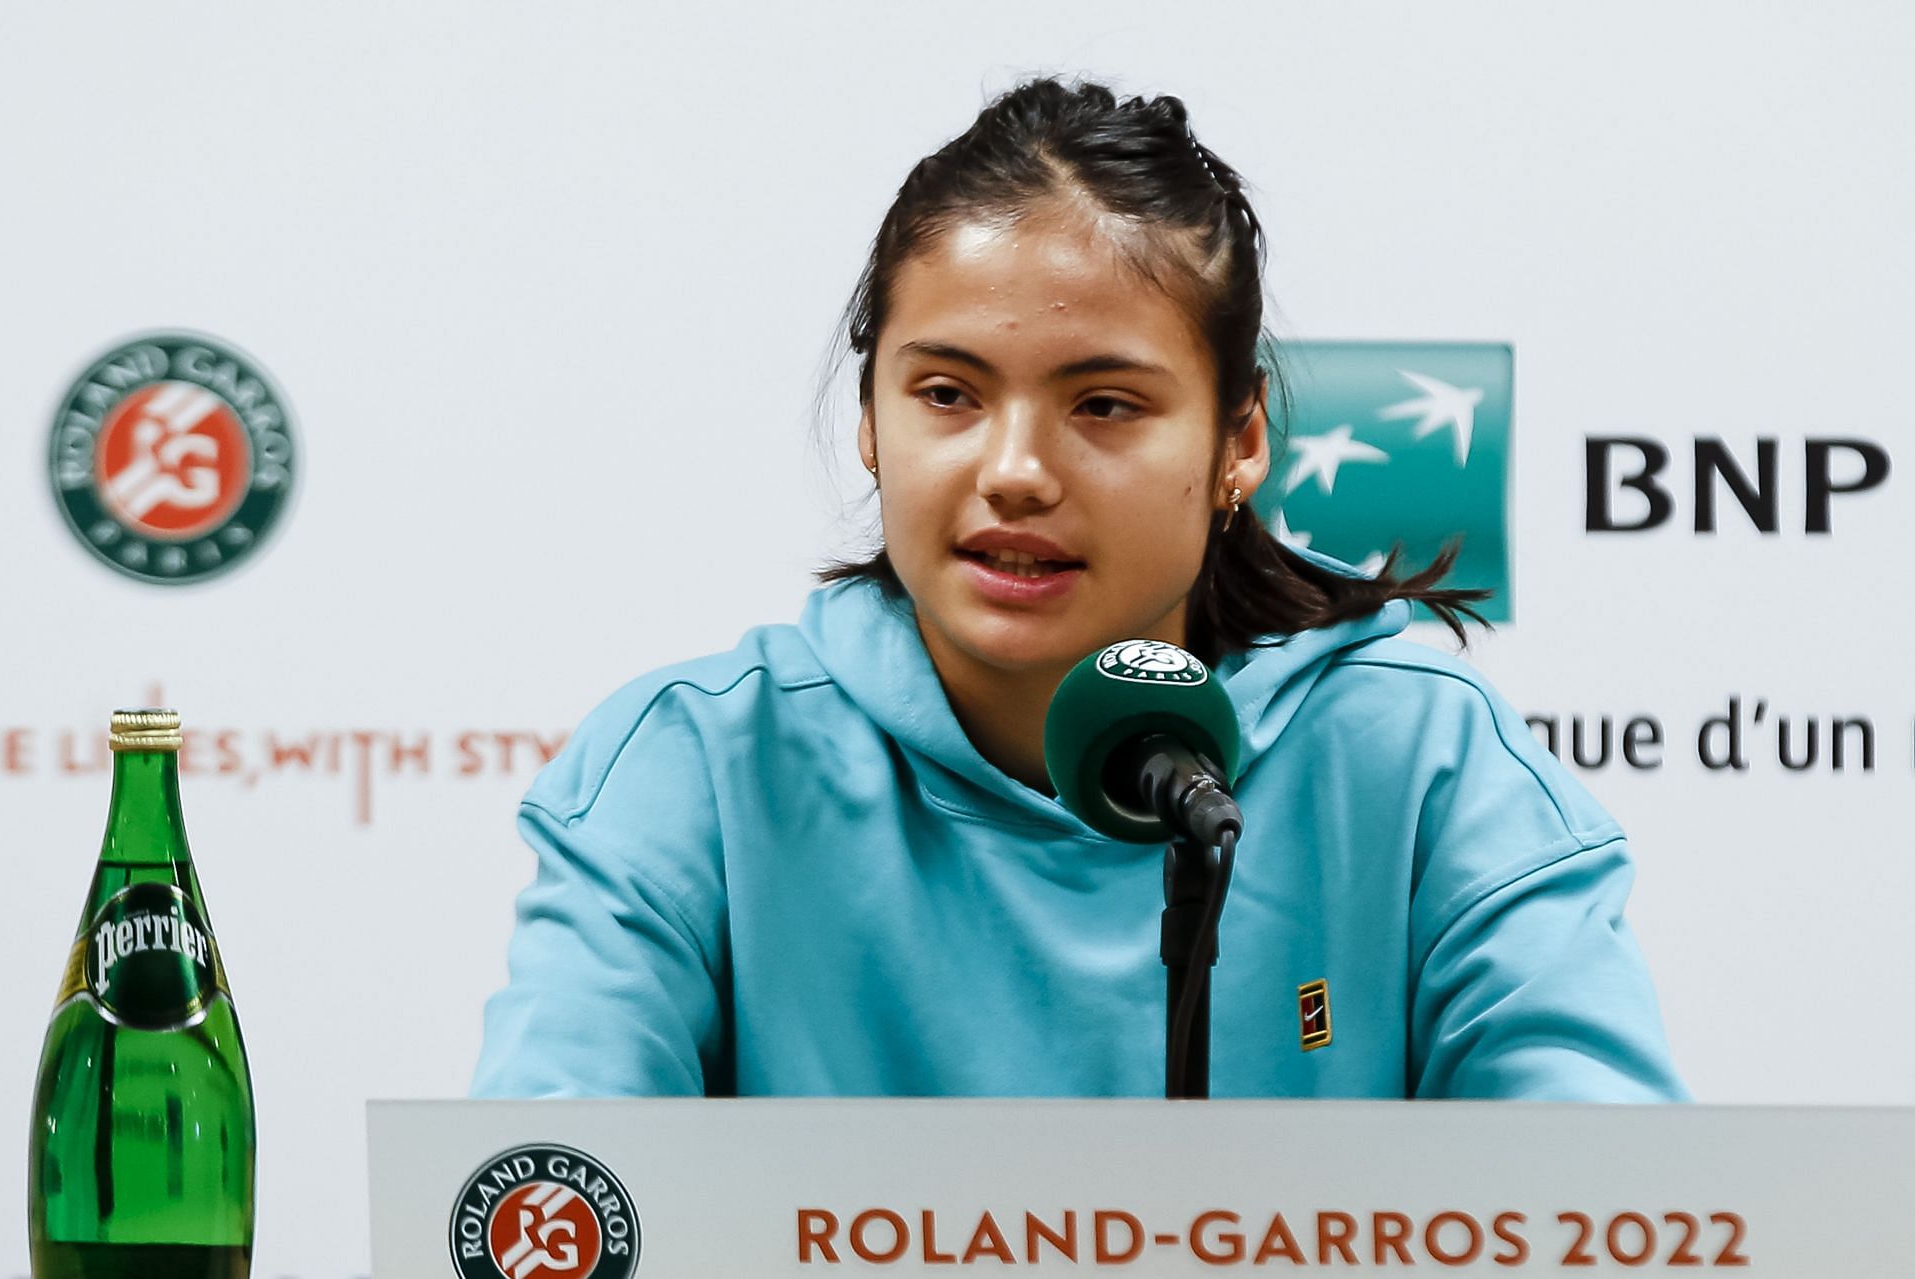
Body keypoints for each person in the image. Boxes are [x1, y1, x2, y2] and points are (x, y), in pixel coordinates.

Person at [472, 78, 1686, 1102]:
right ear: (870, 422)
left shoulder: (1415, 754)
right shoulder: (691, 766)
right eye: (947, 394)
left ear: (1240, 439)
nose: (1012, 472)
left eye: (1103, 405)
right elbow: (543, 1204)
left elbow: (1608, 1214)